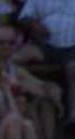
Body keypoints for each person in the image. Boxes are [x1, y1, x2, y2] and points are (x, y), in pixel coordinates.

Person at [18, 0, 75, 128]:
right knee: (16, 57)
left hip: (72, 49)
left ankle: (73, 117)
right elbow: (24, 17)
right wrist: (34, 24)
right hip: (44, 45)